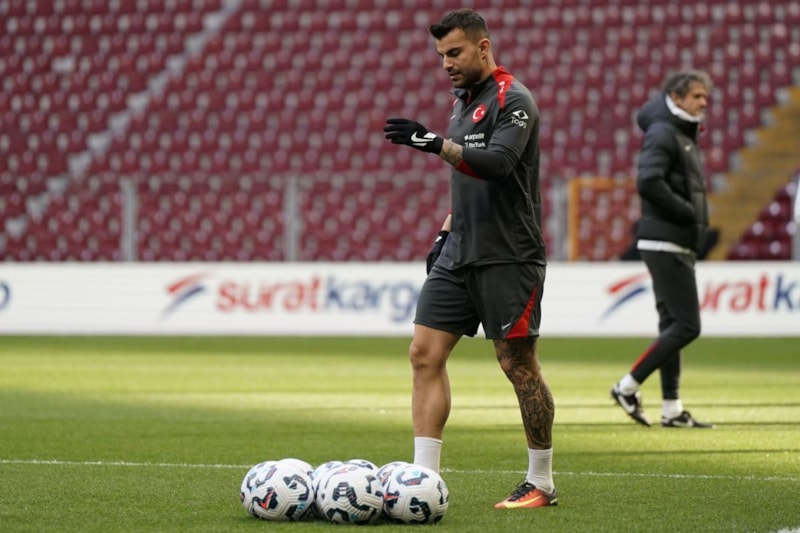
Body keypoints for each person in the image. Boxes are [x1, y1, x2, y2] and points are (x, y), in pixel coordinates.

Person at [383, 9, 555, 508]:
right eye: (441, 55)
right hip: (458, 251)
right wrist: (445, 231)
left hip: (508, 255)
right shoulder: (462, 104)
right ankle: (423, 480)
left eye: (454, 52)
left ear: (483, 47)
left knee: (517, 364)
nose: (446, 64)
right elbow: (466, 182)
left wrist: (435, 144)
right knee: (423, 353)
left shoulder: (513, 99)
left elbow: (499, 165)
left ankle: (541, 482)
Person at [610, 70, 715, 429]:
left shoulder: (679, 132)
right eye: (697, 96)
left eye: (705, 96)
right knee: (687, 326)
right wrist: (687, 213)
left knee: (672, 324)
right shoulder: (663, 132)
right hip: (666, 239)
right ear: (676, 97)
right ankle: (627, 386)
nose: (703, 102)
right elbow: (648, 181)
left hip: (673, 240)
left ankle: (672, 409)